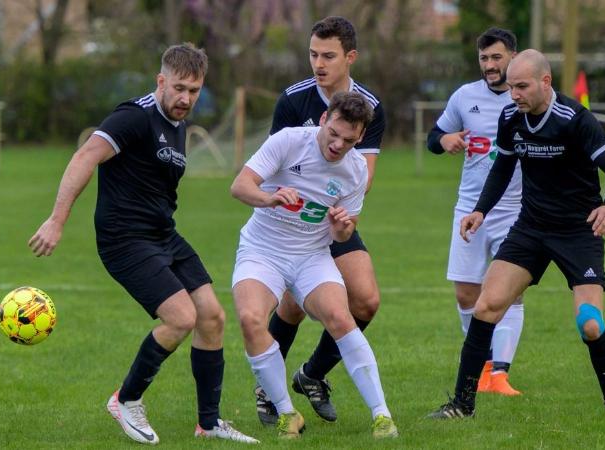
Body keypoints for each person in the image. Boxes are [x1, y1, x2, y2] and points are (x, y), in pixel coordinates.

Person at [28, 43, 259, 445]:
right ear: (161, 81)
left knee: (211, 317)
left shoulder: (180, 124)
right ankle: (126, 399)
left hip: (162, 234)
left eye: (194, 90)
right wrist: (57, 219)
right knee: (181, 318)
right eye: (179, 88)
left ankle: (208, 424)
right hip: (124, 239)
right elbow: (85, 157)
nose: (186, 98)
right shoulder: (134, 117)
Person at [428, 49, 605, 420]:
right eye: (510, 87)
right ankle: (462, 405)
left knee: (590, 323)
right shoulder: (511, 117)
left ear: (546, 82)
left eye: (522, 86)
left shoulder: (575, 119)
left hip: (578, 231)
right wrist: (480, 210)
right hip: (531, 227)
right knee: (486, 306)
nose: (514, 95)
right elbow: (503, 167)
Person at [231, 91, 398, 439]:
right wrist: (269, 197)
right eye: (333, 133)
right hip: (263, 250)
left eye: (348, 140)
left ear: (360, 137)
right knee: (250, 319)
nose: (337, 144)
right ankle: (286, 413)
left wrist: (341, 228)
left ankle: (382, 416)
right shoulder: (289, 141)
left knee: (341, 317)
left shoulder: (354, 173)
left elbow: (341, 235)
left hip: (312, 256)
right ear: (324, 120)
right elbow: (240, 186)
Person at [254, 15, 386, 426]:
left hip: (334, 217)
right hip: (291, 223)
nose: (318, 63)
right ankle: (266, 391)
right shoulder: (293, 100)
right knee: (292, 306)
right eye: (313, 54)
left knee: (366, 300)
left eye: (328, 56)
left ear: (350, 57)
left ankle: (312, 375)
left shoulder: (369, 108)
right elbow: (273, 166)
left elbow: (363, 178)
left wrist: (337, 212)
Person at [426, 27, 524, 396]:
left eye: (496, 57)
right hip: (469, 209)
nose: (489, 65)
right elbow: (433, 138)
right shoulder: (465, 97)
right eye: (484, 58)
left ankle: (500, 374)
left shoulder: (527, 97)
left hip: (516, 210)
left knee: (510, 293)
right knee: (466, 294)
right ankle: (481, 368)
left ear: (513, 57)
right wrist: (445, 139)